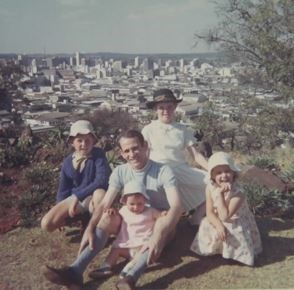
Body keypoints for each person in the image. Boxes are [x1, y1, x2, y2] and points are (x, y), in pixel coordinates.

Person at [42, 129, 183, 289]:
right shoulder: (120, 171)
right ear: (122, 153)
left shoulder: (163, 170)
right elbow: (104, 204)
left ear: (145, 146)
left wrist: (157, 235)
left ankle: (129, 278)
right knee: (106, 217)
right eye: (127, 151)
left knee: (162, 222)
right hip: (132, 221)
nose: (132, 154)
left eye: (136, 148)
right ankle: (75, 270)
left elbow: (177, 207)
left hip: (158, 221)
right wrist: (90, 228)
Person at [142, 88, 208, 224]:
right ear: (155, 109)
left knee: (214, 183)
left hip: (180, 169)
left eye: (169, 107)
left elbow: (195, 155)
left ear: (175, 107)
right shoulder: (148, 130)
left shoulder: (182, 129)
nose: (166, 110)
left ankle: (196, 217)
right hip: (158, 172)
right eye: (161, 107)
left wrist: (212, 169)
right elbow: (145, 155)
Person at [190, 152, 263, 266]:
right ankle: (216, 248)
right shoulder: (210, 187)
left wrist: (219, 196)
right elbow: (209, 212)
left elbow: (225, 216)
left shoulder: (238, 192)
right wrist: (218, 224)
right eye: (218, 173)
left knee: (231, 228)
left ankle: (236, 252)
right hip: (220, 217)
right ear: (212, 176)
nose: (224, 176)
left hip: (235, 220)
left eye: (227, 171)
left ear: (234, 173)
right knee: (206, 222)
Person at [41, 120, 111, 232]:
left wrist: (77, 196)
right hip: (76, 200)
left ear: (93, 140)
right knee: (46, 224)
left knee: (100, 194)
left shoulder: (98, 154)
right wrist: (61, 213)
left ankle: (98, 231)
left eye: (88, 140)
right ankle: (80, 218)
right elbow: (63, 189)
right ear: (72, 142)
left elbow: (101, 180)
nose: (84, 144)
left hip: (92, 198)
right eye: (79, 141)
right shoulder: (68, 162)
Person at [89, 180, 165, 282]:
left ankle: (129, 270)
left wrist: (164, 214)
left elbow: (161, 217)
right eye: (132, 204)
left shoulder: (150, 211)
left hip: (142, 246)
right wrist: (113, 212)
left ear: (145, 201)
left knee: (142, 255)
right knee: (115, 251)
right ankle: (106, 267)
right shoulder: (124, 210)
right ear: (125, 201)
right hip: (127, 246)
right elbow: (117, 218)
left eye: (140, 204)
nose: (136, 207)